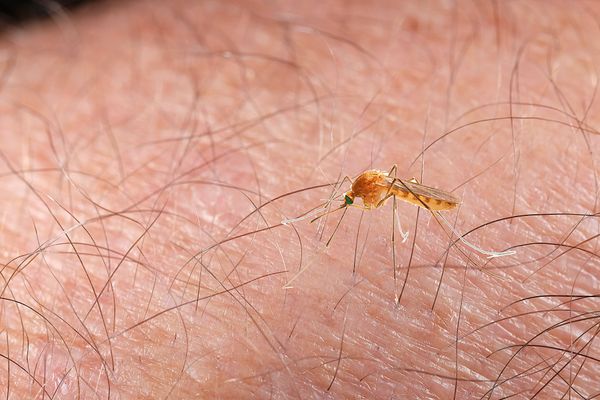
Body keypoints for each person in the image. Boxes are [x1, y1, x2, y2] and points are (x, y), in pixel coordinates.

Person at [1, 0, 598, 398]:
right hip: (385, 186)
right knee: (393, 194)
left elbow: (380, 189)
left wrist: (390, 199)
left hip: (400, 191)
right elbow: (369, 189)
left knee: (403, 201)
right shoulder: (362, 190)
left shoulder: (370, 192)